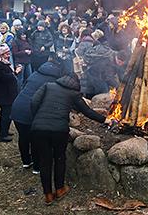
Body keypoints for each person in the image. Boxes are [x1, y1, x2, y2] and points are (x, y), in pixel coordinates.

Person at [31, 72, 111, 205]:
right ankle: (60, 189)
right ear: (75, 83)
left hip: (39, 129)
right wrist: (105, 120)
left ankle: (48, 195)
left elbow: (34, 102)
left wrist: (38, 119)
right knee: (59, 158)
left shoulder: (48, 86)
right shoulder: (73, 93)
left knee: (45, 161)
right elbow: (87, 111)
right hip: (59, 131)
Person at [11, 56, 65, 174]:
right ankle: (37, 167)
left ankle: (26, 161)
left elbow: (23, 87)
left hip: (17, 107)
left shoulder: (35, 73)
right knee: (35, 139)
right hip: (30, 111)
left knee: (23, 137)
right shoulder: (53, 81)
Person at [0, 45, 22, 142]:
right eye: (6, 53)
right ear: (1, 54)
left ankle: (5, 131)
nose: (9, 55)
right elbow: (6, 78)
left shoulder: (3, 63)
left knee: (7, 113)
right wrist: (16, 72)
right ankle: (2, 135)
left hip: (7, 93)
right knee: (5, 114)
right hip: (3, 95)